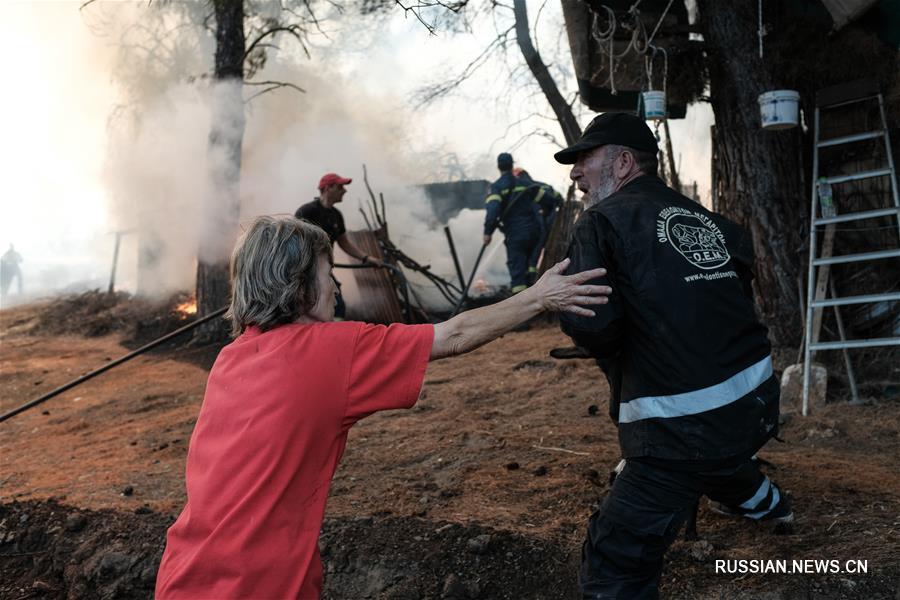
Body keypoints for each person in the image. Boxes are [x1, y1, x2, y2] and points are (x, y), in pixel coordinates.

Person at [155, 215, 611, 599]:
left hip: (181, 575)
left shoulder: (230, 356)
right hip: (261, 584)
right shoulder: (332, 351)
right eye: (325, 271)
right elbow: (452, 336)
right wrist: (538, 296)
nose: (334, 285)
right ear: (297, 286)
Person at [554, 112, 792, 599]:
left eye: (584, 160)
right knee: (723, 462)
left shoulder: (599, 224)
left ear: (622, 163)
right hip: (756, 404)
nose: (575, 172)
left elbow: (593, 327)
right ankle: (772, 506)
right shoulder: (711, 222)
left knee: (614, 559)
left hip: (681, 428)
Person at [295, 172, 383, 319]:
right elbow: (294, 242)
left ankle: (334, 335)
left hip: (324, 269)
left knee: (337, 305)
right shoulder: (307, 212)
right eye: (340, 186)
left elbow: (344, 242)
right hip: (304, 271)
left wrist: (367, 258)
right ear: (328, 188)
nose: (344, 190)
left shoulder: (336, 215)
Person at [483, 153, 544, 293]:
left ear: (498, 167)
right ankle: (535, 296)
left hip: (515, 235)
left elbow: (492, 211)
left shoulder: (497, 187)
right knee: (531, 267)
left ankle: (522, 305)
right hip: (534, 233)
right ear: (512, 165)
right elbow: (547, 199)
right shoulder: (525, 183)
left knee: (518, 272)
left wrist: (487, 233)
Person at [512, 167, 564, 273]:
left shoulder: (526, 187)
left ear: (518, 176)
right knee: (537, 253)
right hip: (548, 223)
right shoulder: (543, 185)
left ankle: (531, 277)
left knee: (532, 254)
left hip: (538, 225)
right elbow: (559, 199)